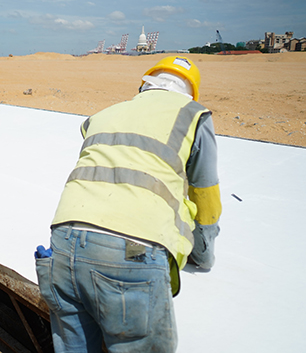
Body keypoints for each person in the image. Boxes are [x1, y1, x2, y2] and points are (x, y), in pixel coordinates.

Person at [35, 56, 222, 352]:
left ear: (145, 85)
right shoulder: (192, 115)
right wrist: (203, 252)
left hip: (64, 241)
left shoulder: (106, 114)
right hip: (131, 250)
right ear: (189, 93)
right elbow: (205, 195)